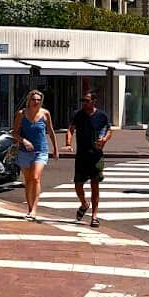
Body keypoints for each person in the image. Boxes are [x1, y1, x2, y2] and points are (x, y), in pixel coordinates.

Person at [65, 91, 111, 228]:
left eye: (86, 100)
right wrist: (68, 143)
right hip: (81, 155)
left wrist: (104, 140)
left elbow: (108, 130)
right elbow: (70, 129)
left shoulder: (102, 116)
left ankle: (94, 216)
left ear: (94, 101)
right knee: (78, 184)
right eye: (83, 101)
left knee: (95, 185)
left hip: (96, 155)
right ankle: (84, 204)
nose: (84, 103)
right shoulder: (78, 115)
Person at [13, 89, 58, 221]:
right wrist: (24, 141)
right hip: (24, 151)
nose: (36, 102)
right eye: (34, 99)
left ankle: (34, 209)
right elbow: (14, 133)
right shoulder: (21, 114)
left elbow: (50, 131)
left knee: (35, 177)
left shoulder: (45, 114)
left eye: (38, 100)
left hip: (41, 150)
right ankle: (29, 208)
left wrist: (55, 149)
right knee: (28, 181)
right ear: (29, 100)